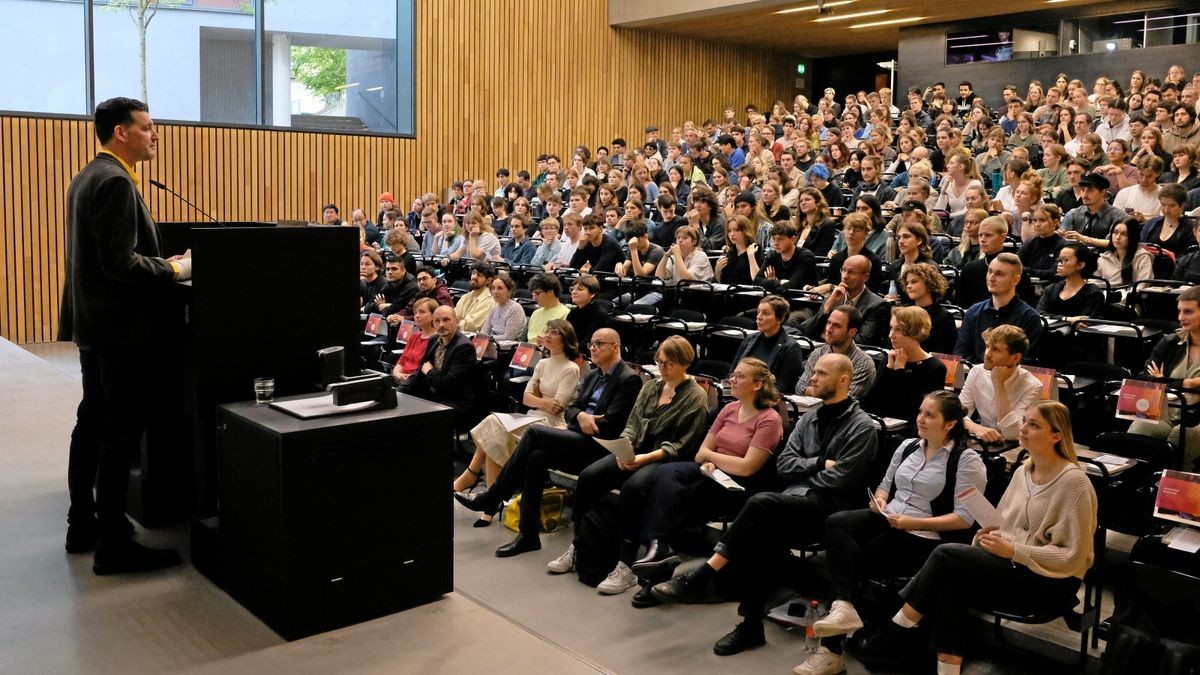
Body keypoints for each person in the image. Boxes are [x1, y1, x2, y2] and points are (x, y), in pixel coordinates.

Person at [650, 354, 877, 657]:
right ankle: (750, 623)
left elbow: (841, 481)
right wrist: (819, 463)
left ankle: (704, 577)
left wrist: (806, 474)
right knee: (760, 529)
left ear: (844, 380)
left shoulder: (862, 427)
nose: (812, 377)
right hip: (794, 501)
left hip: (829, 511)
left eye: (821, 373)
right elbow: (785, 465)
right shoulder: (809, 417)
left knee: (761, 505)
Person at [854, 401, 1096, 675]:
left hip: (1049, 581)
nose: (1023, 429)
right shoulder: (1022, 472)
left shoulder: (1074, 483)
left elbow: (1074, 557)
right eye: (1024, 421)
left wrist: (1015, 550)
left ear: (1056, 436)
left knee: (946, 555)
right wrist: (987, 536)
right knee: (951, 582)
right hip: (1012, 567)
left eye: (1034, 424)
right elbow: (1002, 526)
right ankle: (946, 670)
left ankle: (897, 626)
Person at [61, 97, 187, 573]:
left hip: (95, 325)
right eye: (149, 127)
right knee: (119, 432)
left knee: (92, 421)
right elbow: (119, 263)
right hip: (120, 329)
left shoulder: (87, 175)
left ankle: (83, 524)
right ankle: (113, 544)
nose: (155, 136)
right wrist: (175, 267)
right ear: (121, 132)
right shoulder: (115, 181)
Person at [801, 391, 986, 675]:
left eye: (930, 415)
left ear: (949, 424)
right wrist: (881, 501)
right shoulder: (909, 446)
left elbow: (964, 519)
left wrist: (914, 524)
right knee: (837, 522)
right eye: (921, 412)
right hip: (891, 518)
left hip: (924, 533)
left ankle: (832, 647)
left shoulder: (966, 460)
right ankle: (843, 608)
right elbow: (886, 485)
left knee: (855, 560)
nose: (920, 419)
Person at [455, 329, 643, 558]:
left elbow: (611, 424)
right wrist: (581, 417)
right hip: (579, 438)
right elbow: (573, 409)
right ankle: (528, 535)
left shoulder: (629, 379)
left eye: (599, 344)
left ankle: (493, 497)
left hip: (601, 448)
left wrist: (579, 419)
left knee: (534, 432)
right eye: (591, 344)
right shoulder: (593, 375)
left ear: (616, 347)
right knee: (536, 457)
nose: (593, 348)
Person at [625, 358, 785, 607]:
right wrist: (713, 460)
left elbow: (747, 466)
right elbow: (701, 453)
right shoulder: (729, 409)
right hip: (711, 472)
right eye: (733, 374)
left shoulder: (769, 419)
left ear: (757, 385)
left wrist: (714, 459)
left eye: (740, 376)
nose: (732, 379)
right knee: (666, 474)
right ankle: (659, 546)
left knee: (677, 500)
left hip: (739, 487)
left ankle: (656, 573)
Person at [560, 336, 710, 595]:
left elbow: (681, 445)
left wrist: (641, 459)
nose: (662, 368)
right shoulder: (651, 386)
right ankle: (579, 544)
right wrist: (624, 449)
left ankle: (626, 565)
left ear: (685, 363)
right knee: (589, 477)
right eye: (659, 362)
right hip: (636, 450)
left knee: (633, 488)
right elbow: (632, 424)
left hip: (664, 459)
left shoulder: (695, 397)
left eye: (669, 364)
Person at [457, 320, 582, 525]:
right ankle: (488, 498)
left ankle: (477, 485)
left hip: (552, 425)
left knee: (495, 428)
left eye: (554, 332)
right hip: (532, 416)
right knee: (493, 424)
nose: (548, 335)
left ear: (566, 339)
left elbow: (557, 407)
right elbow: (525, 398)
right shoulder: (542, 363)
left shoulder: (570, 369)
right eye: (547, 331)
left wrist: (538, 397)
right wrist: (542, 400)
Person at [1127, 285, 1200, 465]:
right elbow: (1144, 380)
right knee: (1139, 428)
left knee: (1181, 437)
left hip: (1197, 417)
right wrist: (1188, 383)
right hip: (1166, 411)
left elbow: (1157, 381)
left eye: (1188, 312)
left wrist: (1163, 380)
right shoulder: (1171, 341)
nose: (1180, 318)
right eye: (1179, 311)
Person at [959, 325, 1043, 444]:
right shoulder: (976, 372)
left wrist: (999, 384)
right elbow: (955, 413)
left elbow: (1013, 433)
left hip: (1016, 447)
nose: (987, 354)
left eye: (996, 349)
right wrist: (977, 428)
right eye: (987, 346)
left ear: (1015, 358)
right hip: (982, 440)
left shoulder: (1033, 385)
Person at [399, 305, 479, 427]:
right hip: (436, 394)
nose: (441, 324)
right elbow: (420, 371)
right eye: (437, 321)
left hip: (455, 401)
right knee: (401, 402)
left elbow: (449, 383)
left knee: (415, 417)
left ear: (457, 322)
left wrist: (430, 372)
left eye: (446, 320)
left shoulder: (463, 347)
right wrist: (399, 391)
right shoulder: (434, 339)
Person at [863, 306, 947, 422]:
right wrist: (888, 368)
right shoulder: (889, 359)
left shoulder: (934, 368)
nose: (891, 335)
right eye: (891, 328)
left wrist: (899, 371)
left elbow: (913, 410)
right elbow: (869, 403)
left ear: (915, 332)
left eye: (898, 330)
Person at [955, 253, 1043, 362]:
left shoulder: (1029, 318)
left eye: (999, 274)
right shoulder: (973, 312)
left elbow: (1025, 360)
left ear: (1016, 280)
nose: (991, 278)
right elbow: (961, 353)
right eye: (990, 271)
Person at [800, 255, 891, 347]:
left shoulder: (877, 305)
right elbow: (807, 332)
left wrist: (828, 336)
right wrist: (827, 307)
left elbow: (863, 341)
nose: (844, 276)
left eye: (851, 272)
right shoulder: (832, 298)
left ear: (865, 277)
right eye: (843, 270)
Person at [730, 296, 805, 393]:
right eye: (758, 312)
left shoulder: (791, 348)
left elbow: (783, 387)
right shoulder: (749, 339)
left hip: (765, 400)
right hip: (740, 394)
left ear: (780, 318)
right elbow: (733, 372)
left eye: (765, 313)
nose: (759, 317)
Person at [1038, 243, 1104, 320]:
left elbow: (1084, 322)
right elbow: (1039, 314)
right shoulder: (1050, 289)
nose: (1059, 264)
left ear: (1080, 265)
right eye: (1059, 260)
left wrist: (1056, 318)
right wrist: (1067, 319)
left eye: (1065, 260)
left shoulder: (1093, 293)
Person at [1061, 172, 1125, 249]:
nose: (1084, 195)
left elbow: (1113, 242)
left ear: (1103, 192)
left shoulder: (1118, 216)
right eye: (1082, 190)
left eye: (1090, 190)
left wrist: (1085, 239)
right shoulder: (1073, 214)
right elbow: (1063, 240)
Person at [755, 221, 817, 293]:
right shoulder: (772, 255)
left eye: (780, 239)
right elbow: (757, 281)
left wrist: (771, 283)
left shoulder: (806, 257)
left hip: (804, 301)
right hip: (778, 298)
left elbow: (792, 287)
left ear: (793, 239)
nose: (776, 243)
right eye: (774, 239)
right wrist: (780, 282)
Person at [1141, 183, 1196, 258]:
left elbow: (1190, 256)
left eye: (1172, 205)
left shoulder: (1191, 227)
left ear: (1182, 205)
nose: (1166, 210)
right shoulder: (1152, 223)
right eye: (1163, 204)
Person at [392, 298, 439, 382]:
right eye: (415, 312)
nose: (417, 315)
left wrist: (408, 378)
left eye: (422, 312)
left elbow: (427, 369)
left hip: (418, 383)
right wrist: (398, 374)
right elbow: (401, 362)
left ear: (433, 315)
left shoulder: (437, 340)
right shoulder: (414, 337)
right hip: (402, 380)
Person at [1098, 218, 1154, 287]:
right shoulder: (1104, 257)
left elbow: (1142, 286)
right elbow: (1094, 283)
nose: (1117, 237)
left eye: (1124, 234)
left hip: (1130, 297)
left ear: (1132, 237)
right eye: (1115, 232)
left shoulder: (1143, 258)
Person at [1018, 203, 1067, 280]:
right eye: (1035, 220)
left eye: (1042, 220)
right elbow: (1016, 265)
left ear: (1055, 222)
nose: (1037, 224)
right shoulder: (1030, 242)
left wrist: (1026, 270)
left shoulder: (1063, 246)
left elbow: (1054, 273)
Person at [368, 256, 419, 324]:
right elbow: (368, 307)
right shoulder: (388, 285)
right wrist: (381, 306)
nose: (390, 272)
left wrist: (384, 307)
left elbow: (394, 310)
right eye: (387, 269)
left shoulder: (412, 287)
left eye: (394, 269)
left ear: (403, 271)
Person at [478, 274, 527, 342]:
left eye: (500, 288)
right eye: (493, 288)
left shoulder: (515, 308)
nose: (495, 292)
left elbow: (509, 337)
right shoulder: (494, 308)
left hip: (507, 349)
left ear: (509, 291)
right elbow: (484, 331)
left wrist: (489, 338)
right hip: (492, 343)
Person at [715, 215, 762, 285]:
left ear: (746, 231)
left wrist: (751, 257)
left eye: (737, 230)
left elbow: (758, 280)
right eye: (729, 231)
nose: (732, 234)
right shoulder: (730, 252)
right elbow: (721, 282)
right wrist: (718, 270)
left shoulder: (755, 250)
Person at [566, 275, 611, 348]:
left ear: (592, 294)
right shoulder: (573, 312)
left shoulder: (600, 315)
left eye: (580, 289)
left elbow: (589, 343)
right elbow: (565, 334)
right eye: (572, 289)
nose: (574, 292)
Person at [453, 262, 496, 332]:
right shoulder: (465, 297)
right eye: (473, 273)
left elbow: (472, 324)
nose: (474, 277)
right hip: (457, 332)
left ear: (488, 280)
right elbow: (454, 316)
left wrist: (453, 324)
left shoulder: (490, 300)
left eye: (479, 275)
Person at [526, 273, 570, 343]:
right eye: (533, 294)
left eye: (537, 293)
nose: (533, 298)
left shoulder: (566, 313)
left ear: (550, 292)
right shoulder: (535, 313)